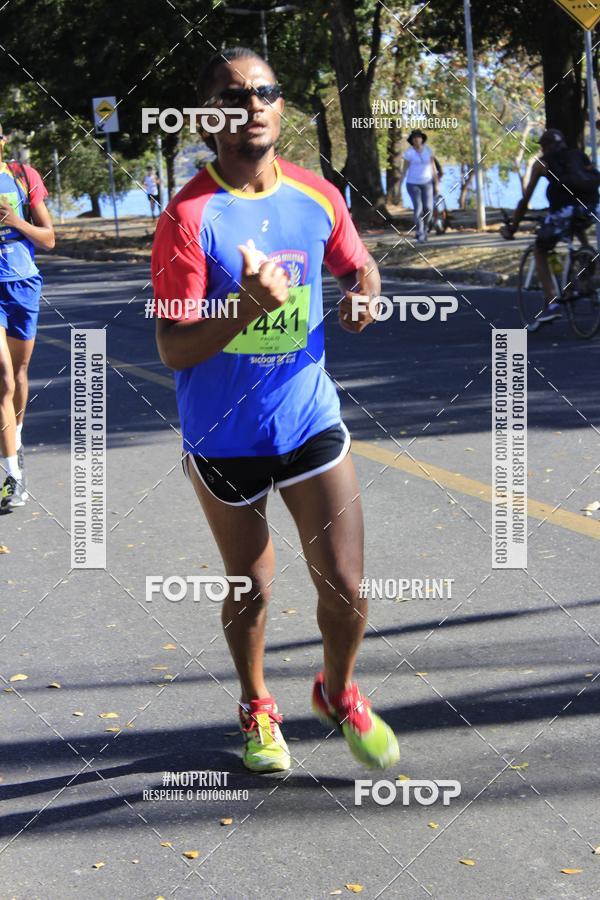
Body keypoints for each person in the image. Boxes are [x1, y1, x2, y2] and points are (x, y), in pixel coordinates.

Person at [152, 47, 400, 773]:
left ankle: (338, 690)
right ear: (208, 117)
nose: (253, 105)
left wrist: (364, 289)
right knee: (251, 586)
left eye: (266, 92)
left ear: (281, 107)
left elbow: (357, 261)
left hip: (307, 420)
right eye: (234, 96)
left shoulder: (318, 195)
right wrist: (244, 307)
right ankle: (258, 704)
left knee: (347, 586)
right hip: (223, 435)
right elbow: (172, 347)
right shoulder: (187, 217)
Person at [0, 124, 55, 512]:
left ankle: (15, 441)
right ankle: (11, 476)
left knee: (19, 374)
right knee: (2, 377)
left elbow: (49, 238)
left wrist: (14, 221)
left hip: (23, 285)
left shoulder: (23, 176)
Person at [502, 128, 600, 330]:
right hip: (590, 208)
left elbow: (525, 200)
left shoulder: (542, 163)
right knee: (576, 227)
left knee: (540, 249)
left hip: (562, 211)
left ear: (545, 146)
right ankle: (587, 260)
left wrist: (513, 227)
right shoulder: (579, 155)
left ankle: (553, 302)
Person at [400, 129, 438, 243]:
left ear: (422, 139)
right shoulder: (409, 153)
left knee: (429, 209)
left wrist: (436, 183)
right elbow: (404, 169)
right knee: (418, 209)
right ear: (412, 140)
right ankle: (420, 233)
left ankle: (425, 229)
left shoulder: (428, 151)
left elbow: (433, 168)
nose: (417, 139)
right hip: (413, 184)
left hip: (427, 183)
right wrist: (399, 185)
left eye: (419, 137)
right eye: (414, 138)